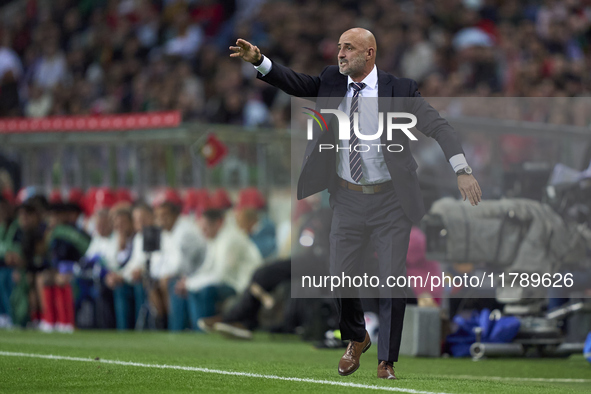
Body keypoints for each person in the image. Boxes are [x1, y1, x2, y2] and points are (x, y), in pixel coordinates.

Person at [230, 28, 482, 379]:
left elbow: (439, 126)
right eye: (339, 47)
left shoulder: (401, 90)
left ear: (370, 53)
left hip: (391, 201)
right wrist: (260, 61)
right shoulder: (333, 81)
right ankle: (357, 337)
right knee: (339, 276)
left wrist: (462, 169)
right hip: (347, 197)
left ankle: (386, 360)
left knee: (391, 279)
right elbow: (296, 83)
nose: (341, 53)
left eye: (349, 48)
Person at [175, 208, 262, 331]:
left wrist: (190, 283)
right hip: (228, 282)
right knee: (190, 288)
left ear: (219, 223)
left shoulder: (230, 239)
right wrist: (189, 281)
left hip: (242, 286)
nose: (203, 232)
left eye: (205, 228)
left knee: (206, 291)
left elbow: (220, 276)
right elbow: (207, 268)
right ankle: (191, 329)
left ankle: (203, 331)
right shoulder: (215, 239)